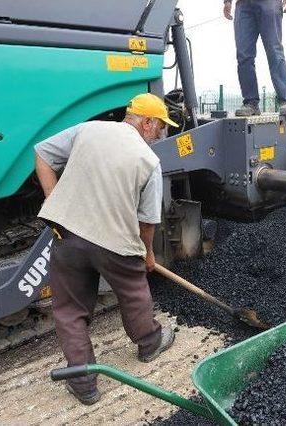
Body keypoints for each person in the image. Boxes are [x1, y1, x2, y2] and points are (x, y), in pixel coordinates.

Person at [34, 93, 178, 405]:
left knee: (70, 309)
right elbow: (148, 220)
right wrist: (147, 253)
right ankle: (150, 343)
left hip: (67, 233)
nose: (159, 135)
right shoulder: (148, 160)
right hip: (114, 242)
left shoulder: (88, 130)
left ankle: (83, 383)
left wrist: (53, 199)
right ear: (146, 122)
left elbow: (42, 153)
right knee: (133, 290)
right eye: (159, 128)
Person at [224, 0, 286, 116]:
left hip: (269, 3)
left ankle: (285, 100)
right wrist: (227, 2)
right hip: (243, 6)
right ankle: (251, 103)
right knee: (244, 56)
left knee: (274, 52)